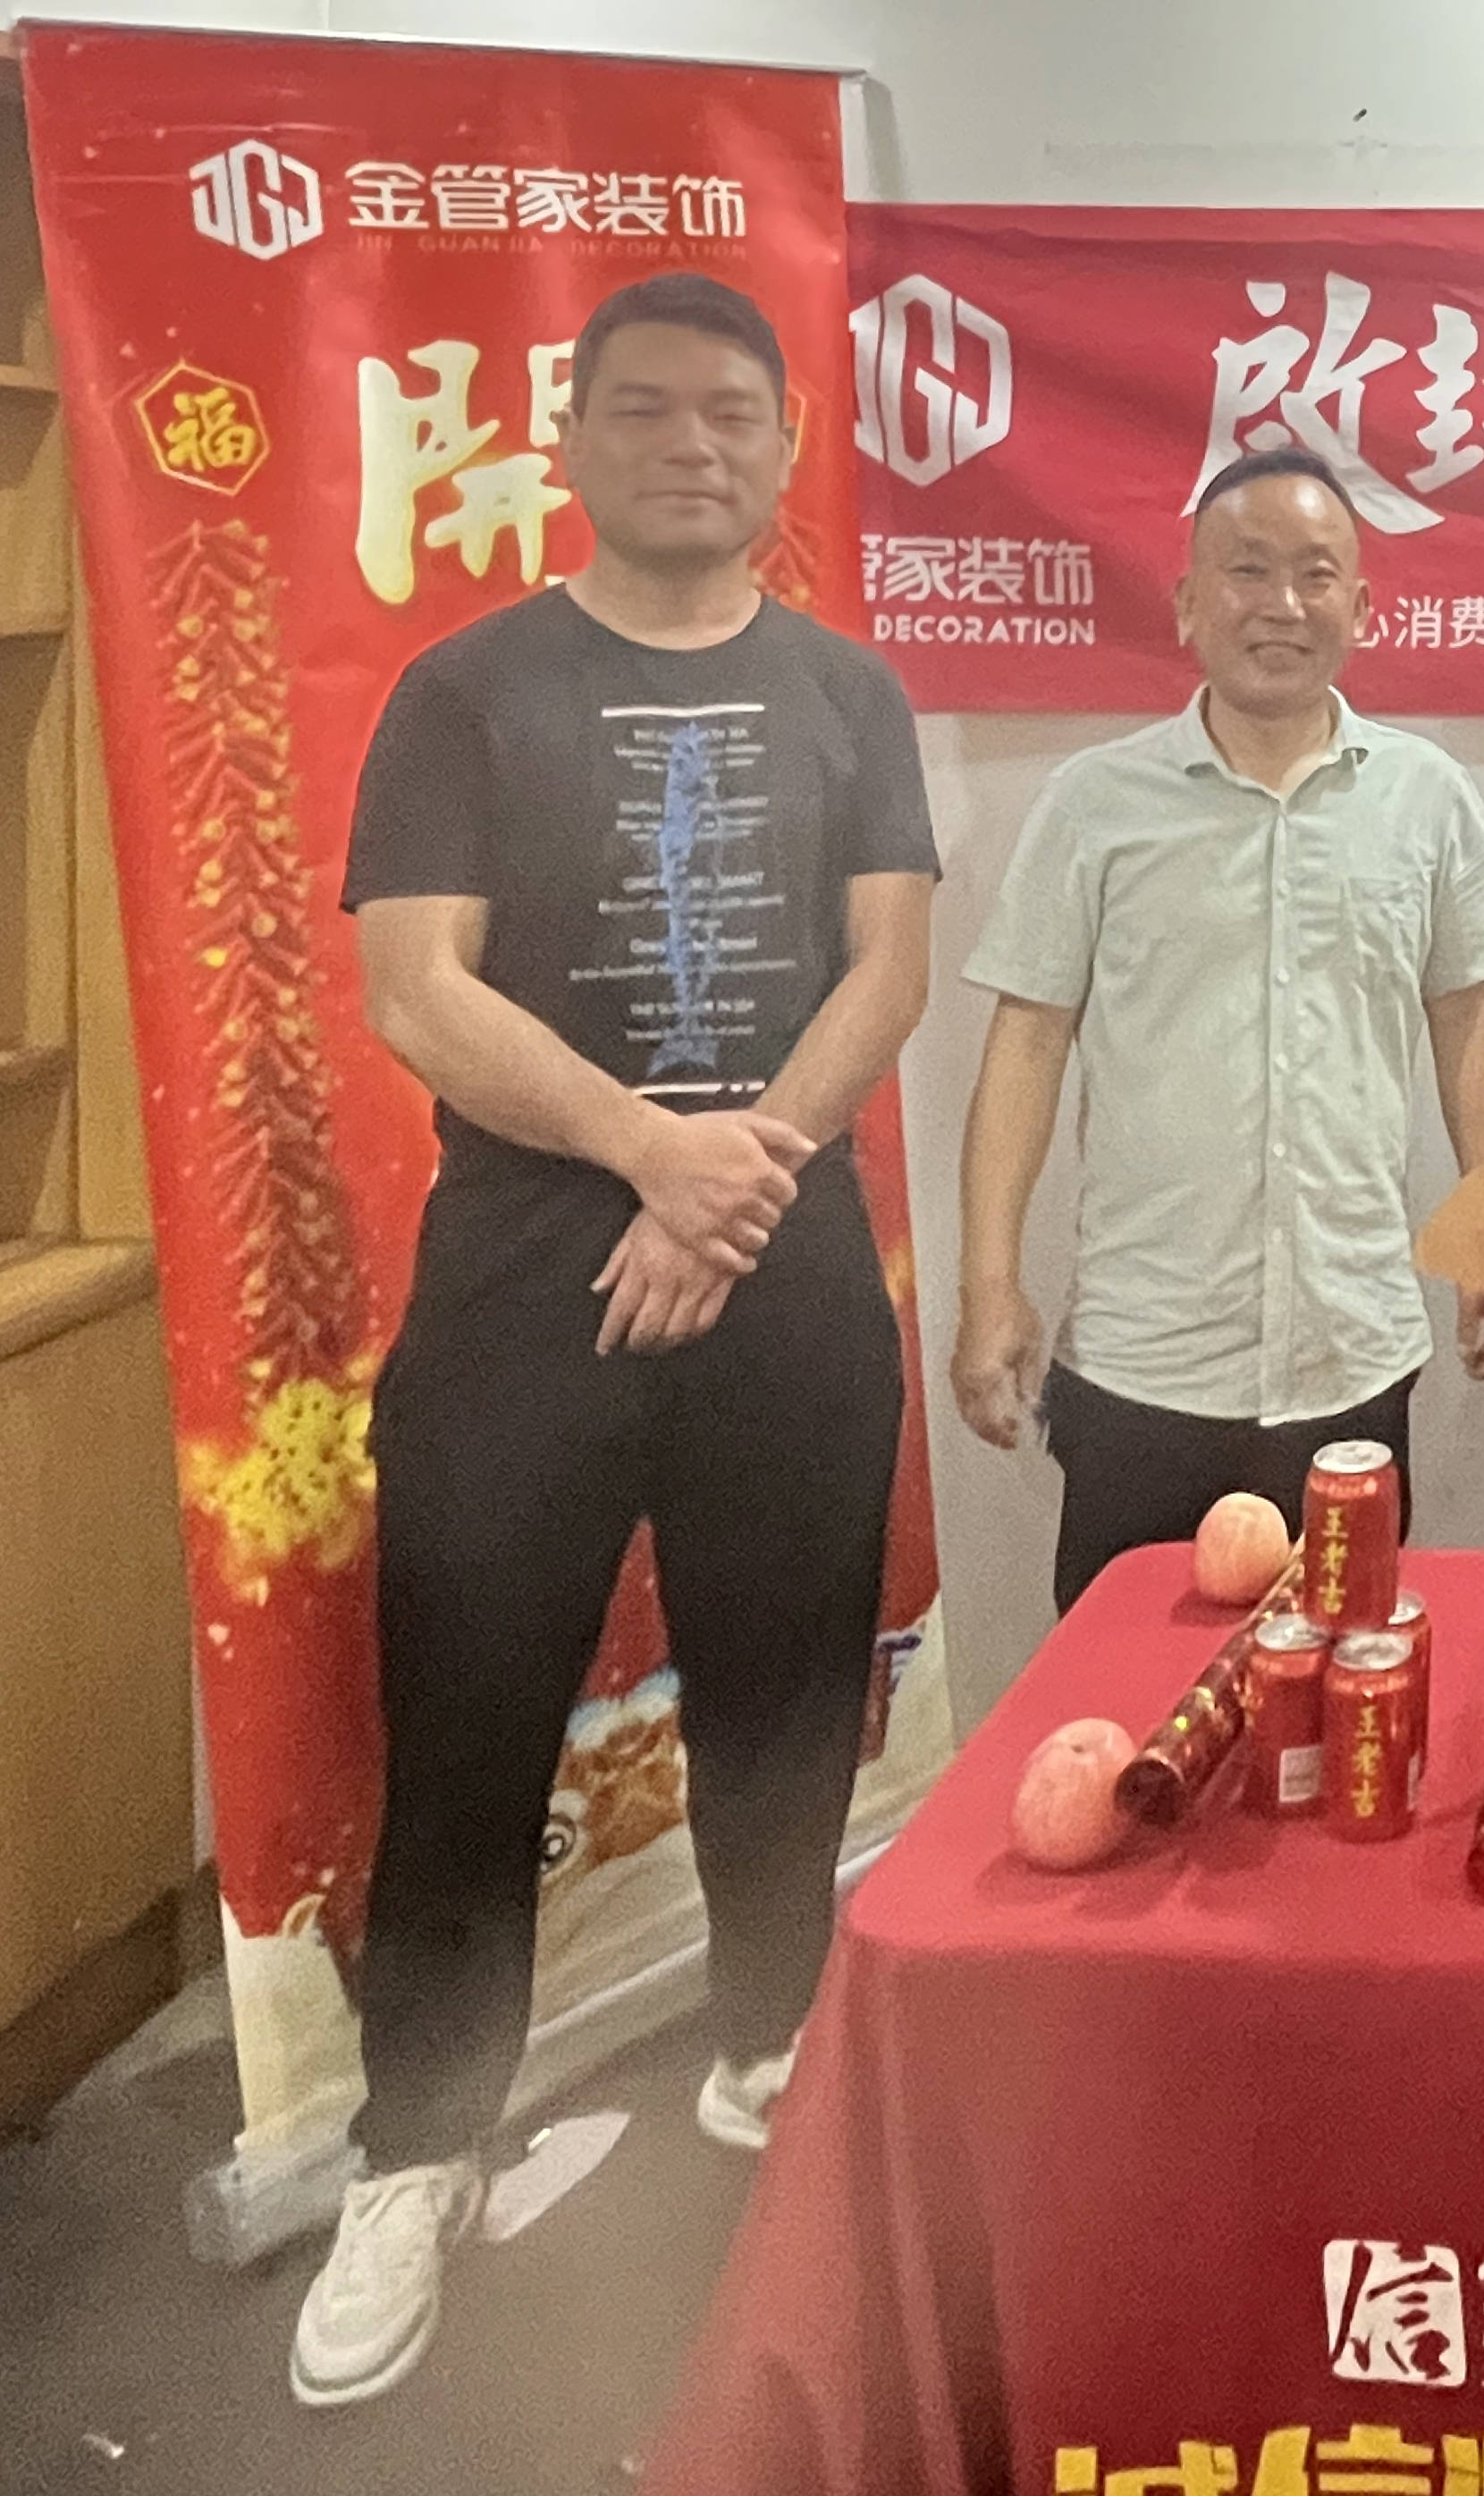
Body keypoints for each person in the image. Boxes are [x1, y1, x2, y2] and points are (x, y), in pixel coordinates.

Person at [299, 274, 937, 2407]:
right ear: (568, 443)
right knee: (470, 1712)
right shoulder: (468, 690)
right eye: (646, 411)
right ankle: (418, 2151)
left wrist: (734, 1177)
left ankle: (770, 2047)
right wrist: (653, 1155)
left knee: (789, 1697)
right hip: (522, 1277)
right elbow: (418, 988)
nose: (692, 446)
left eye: (732, 415)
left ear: (784, 448)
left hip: (786, 1262)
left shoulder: (848, 693)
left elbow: (886, 967)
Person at [952, 451, 1484, 1614]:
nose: (1282, 603)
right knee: (1125, 1686)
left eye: (1315, 575)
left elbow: (1468, 1013)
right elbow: (1026, 1046)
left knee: (1342, 1674)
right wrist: (989, 1285)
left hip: (1350, 1348)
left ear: (1360, 608)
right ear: (1187, 603)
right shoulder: (1095, 803)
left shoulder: (1423, 795)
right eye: (1248, 571)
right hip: (1143, 1357)